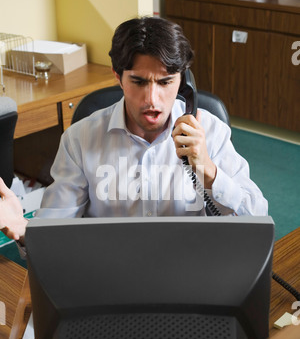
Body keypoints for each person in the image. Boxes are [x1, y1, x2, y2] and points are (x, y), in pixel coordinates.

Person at [0, 16, 268, 246]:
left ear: (184, 83)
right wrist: (25, 231)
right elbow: (56, 233)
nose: (152, 98)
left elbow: (257, 220)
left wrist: (208, 171)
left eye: (166, 82)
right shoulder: (79, 139)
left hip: (189, 266)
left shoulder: (210, 130)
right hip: (109, 273)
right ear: (118, 77)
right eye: (138, 82)